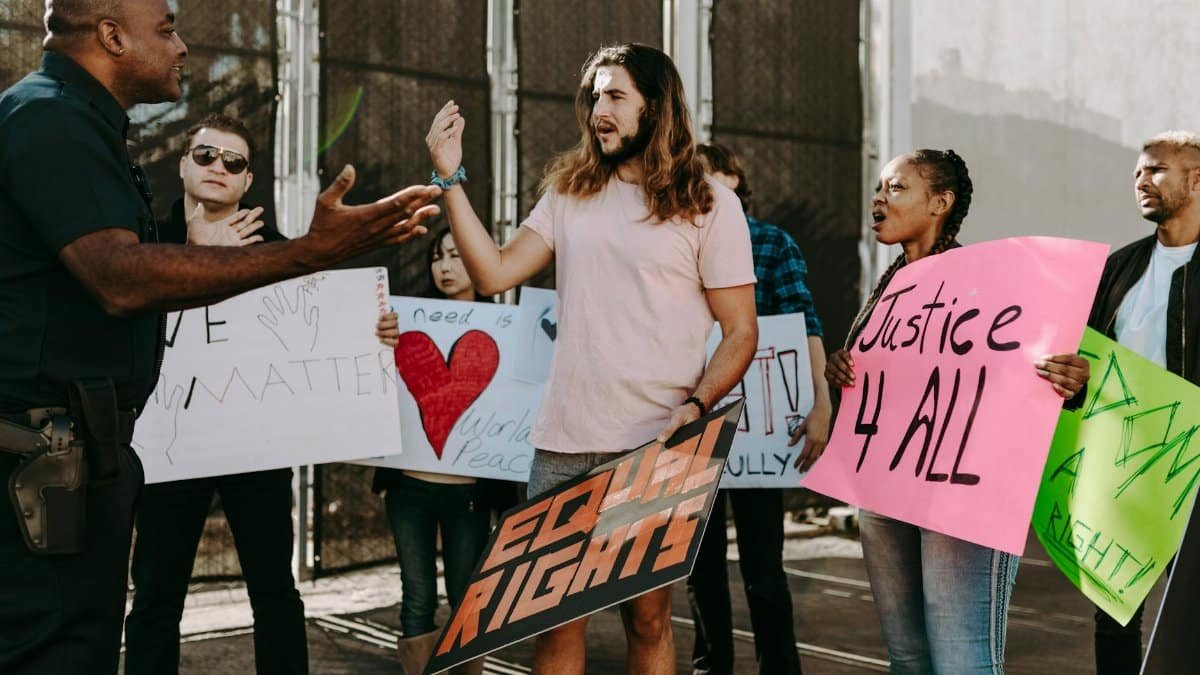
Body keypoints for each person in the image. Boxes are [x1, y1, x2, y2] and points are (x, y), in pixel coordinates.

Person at [0, 2, 439, 672]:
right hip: (49, 459)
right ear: (112, 36)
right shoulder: (50, 119)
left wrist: (361, 327)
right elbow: (119, 277)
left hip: (91, 458)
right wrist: (309, 255)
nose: (182, 45)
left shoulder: (84, 128)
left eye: (233, 163)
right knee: (69, 642)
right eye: (167, 27)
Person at [425, 43, 758, 675]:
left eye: (614, 96)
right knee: (553, 619)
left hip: (658, 445)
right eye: (592, 96)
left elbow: (741, 331)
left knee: (649, 619)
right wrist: (450, 177)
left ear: (654, 107)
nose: (597, 109)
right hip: (564, 443)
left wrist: (697, 405)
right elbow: (494, 273)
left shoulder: (711, 203)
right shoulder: (569, 192)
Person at [824, 149, 1089, 673]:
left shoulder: (991, 284)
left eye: (896, 188)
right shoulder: (889, 289)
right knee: (907, 658)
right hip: (883, 494)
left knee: (963, 660)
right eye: (879, 187)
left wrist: (1072, 381)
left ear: (940, 203)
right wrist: (842, 367)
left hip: (960, 500)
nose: (879, 198)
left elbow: (1036, 374)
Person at [124, 114, 307, 675]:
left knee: (275, 590)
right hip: (170, 447)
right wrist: (192, 252)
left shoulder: (279, 252)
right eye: (205, 155)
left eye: (233, 162)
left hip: (258, 445)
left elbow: (316, 332)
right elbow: (124, 319)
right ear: (182, 165)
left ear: (248, 181)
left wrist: (372, 332)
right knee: (155, 593)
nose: (217, 168)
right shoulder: (144, 244)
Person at [686, 141, 831, 675]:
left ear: (734, 180)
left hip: (761, 433)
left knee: (763, 566)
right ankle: (710, 666)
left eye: (709, 174)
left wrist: (822, 402)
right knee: (698, 567)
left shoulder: (770, 243)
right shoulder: (681, 242)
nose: (700, 185)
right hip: (696, 421)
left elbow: (804, 322)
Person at [1086, 131, 1200, 675]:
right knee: (1113, 612)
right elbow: (1090, 359)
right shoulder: (1118, 268)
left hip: (1192, 466)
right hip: (1122, 463)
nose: (1141, 181)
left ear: (1197, 180)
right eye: (1137, 173)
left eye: (1155, 170)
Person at [372, 228, 502, 675]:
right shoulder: (404, 320)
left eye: (457, 256)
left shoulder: (507, 328)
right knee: (417, 597)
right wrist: (380, 338)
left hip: (469, 496)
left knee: (467, 598)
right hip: (409, 490)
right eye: (437, 256)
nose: (445, 266)